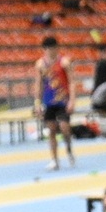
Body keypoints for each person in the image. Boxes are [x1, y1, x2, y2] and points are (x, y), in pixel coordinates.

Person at [35, 36, 75, 171]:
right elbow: (39, 84)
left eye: (53, 48)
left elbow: (72, 82)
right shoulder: (40, 64)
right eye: (48, 49)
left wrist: (72, 100)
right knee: (51, 130)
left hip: (63, 100)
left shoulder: (64, 63)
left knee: (64, 127)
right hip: (49, 101)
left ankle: (68, 147)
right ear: (44, 50)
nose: (51, 51)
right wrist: (37, 102)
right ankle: (54, 159)